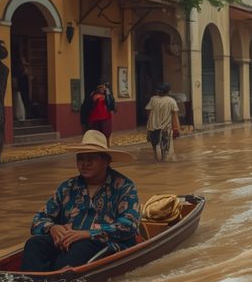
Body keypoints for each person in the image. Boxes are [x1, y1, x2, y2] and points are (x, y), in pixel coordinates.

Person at [21, 130, 140, 272]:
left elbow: (129, 225)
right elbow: (37, 220)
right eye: (81, 159)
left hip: (104, 245)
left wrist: (88, 233)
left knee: (82, 247)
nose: (85, 164)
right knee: (34, 244)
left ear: (106, 162)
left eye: (91, 159)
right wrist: (53, 228)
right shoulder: (66, 188)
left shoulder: (125, 187)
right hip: (67, 242)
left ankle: (56, 277)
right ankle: (33, 280)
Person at [144, 83, 180, 162]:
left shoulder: (153, 99)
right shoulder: (171, 101)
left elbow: (148, 111)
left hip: (152, 127)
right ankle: (163, 163)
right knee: (165, 149)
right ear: (168, 92)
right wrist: (177, 128)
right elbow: (175, 115)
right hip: (166, 128)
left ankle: (157, 161)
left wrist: (150, 122)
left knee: (155, 147)